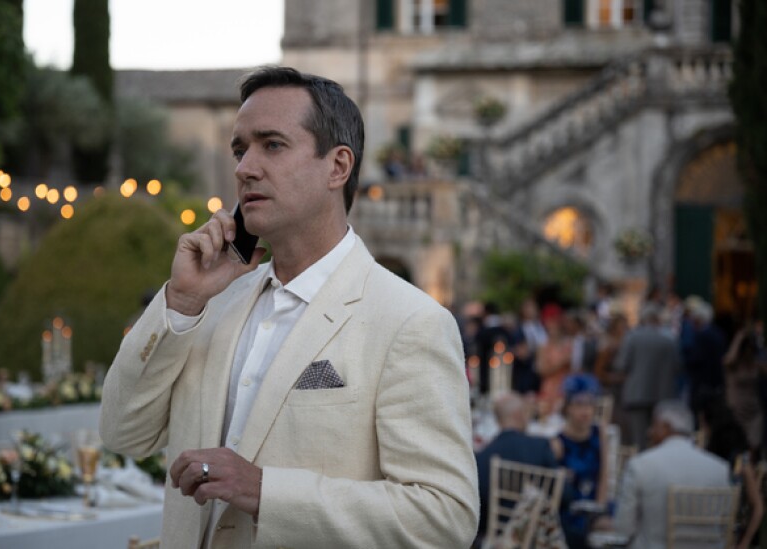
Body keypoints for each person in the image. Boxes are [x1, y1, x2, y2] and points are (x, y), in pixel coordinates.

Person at [99, 67, 478, 549]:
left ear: (338, 167)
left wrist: (266, 492)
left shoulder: (410, 322)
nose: (244, 168)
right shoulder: (212, 301)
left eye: (271, 145)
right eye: (240, 149)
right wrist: (183, 300)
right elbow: (122, 433)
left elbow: (443, 518)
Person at [613, 400, 729, 549]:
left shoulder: (640, 465)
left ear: (665, 427)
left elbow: (624, 528)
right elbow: (724, 527)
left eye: (654, 425)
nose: (649, 432)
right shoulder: (720, 469)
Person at [474, 392, 559, 547]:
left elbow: (479, 502)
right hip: (537, 538)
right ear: (519, 415)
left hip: (495, 540)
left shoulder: (483, 455)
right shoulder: (541, 447)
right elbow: (563, 495)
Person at [551, 374, 608, 549]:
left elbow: (604, 475)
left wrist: (600, 509)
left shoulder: (600, 433)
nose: (586, 411)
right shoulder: (558, 442)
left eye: (590, 405)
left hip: (593, 507)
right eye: (579, 405)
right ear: (568, 407)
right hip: (568, 510)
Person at [699, 396, 764, 549]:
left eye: (702, 424)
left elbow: (758, 507)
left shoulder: (740, 462)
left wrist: (744, 542)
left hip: (724, 534)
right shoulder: (737, 458)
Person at [613, 303, 680, 449]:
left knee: (638, 439)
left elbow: (621, 365)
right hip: (662, 395)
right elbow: (678, 366)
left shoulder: (632, 337)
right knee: (660, 438)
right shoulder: (669, 339)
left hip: (636, 394)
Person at [722, 327, 763, 450]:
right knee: (737, 443)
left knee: (754, 442)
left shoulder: (756, 364)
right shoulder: (732, 364)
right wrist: (739, 338)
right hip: (736, 408)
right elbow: (729, 360)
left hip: (753, 409)